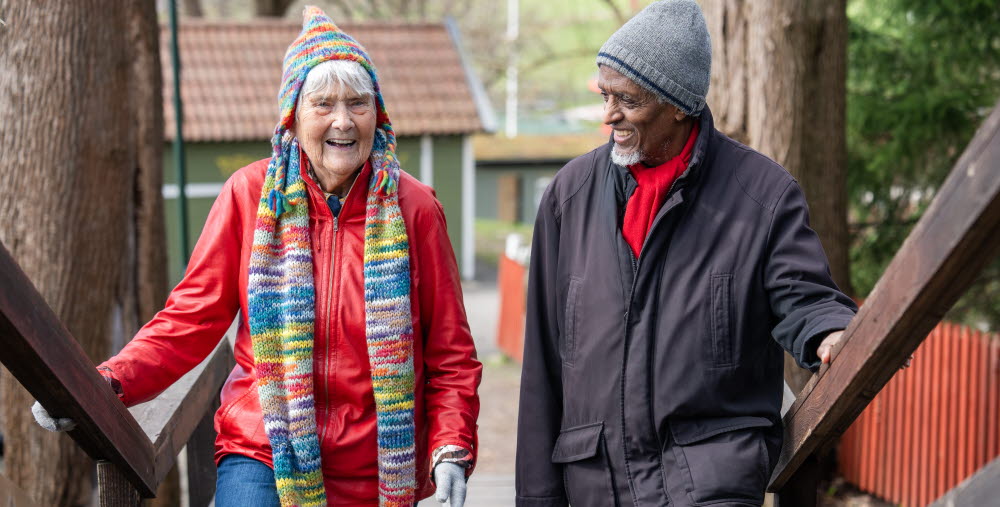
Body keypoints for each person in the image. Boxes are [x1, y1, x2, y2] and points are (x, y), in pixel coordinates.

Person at [32, 6, 481, 507]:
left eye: (358, 103)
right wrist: (103, 385)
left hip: (379, 463)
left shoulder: (416, 208)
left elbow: (450, 354)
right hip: (264, 447)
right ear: (292, 114)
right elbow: (193, 316)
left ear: (378, 114)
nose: (343, 121)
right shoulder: (249, 195)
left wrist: (450, 451)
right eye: (323, 104)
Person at [514, 1, 857, 506]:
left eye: (627, 100)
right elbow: (542, 367)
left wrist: (831, 331)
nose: (609, 115)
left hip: (708, 488)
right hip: (594, 486)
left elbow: (802, 295)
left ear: (678, 105)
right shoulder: (568, 196)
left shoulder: (762, 194)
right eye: (605, 94)